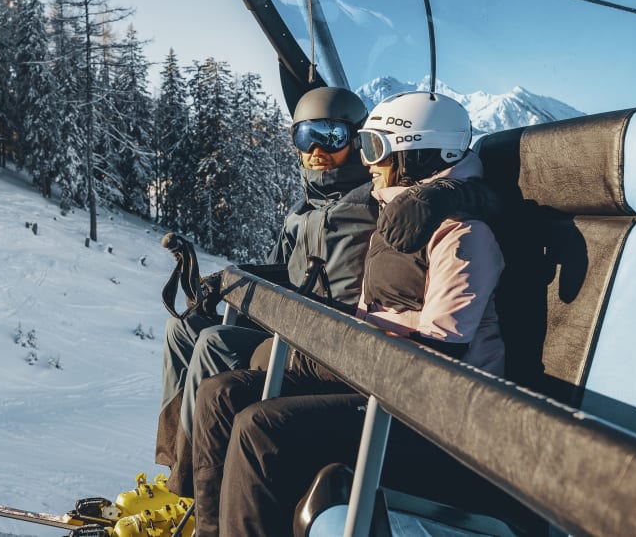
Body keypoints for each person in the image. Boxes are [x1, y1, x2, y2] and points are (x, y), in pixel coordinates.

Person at [188, 91, 506, 537]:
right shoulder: (395, 210)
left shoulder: (463, 236)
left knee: (262, 427)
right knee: (222, 394)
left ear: (416, 155)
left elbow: (441, 358)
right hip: (374, 378)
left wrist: (445, 193)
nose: (365, 158)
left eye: (374, 146)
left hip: (429, 412)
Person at [157, 86, 378, 492]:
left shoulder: (372, 203)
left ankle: (188, 485)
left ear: (358, 139)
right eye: (305, 136)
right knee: (182, 331)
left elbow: (430, 191)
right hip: (290, 325)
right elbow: (282, 270)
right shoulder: (302, 210)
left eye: (331, 137)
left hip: (329, 341)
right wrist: (228, 281)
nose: (316, 150)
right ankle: (175, 460)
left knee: (215, 343)